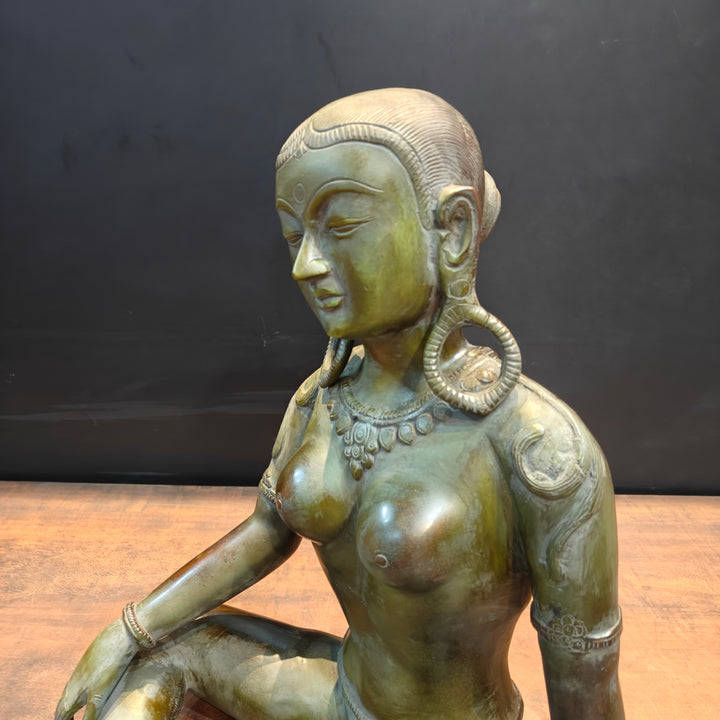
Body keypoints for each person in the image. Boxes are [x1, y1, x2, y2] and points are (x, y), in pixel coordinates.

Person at [55, 88, 624, 720]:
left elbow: (584, 678)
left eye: (342, 227)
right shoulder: (323, 396)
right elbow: (267, 532)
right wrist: (129, 629)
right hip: (340, 697)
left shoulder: (538, 448)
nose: (305, 265)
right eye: (293, 235)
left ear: (454, 230)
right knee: (156, 656)